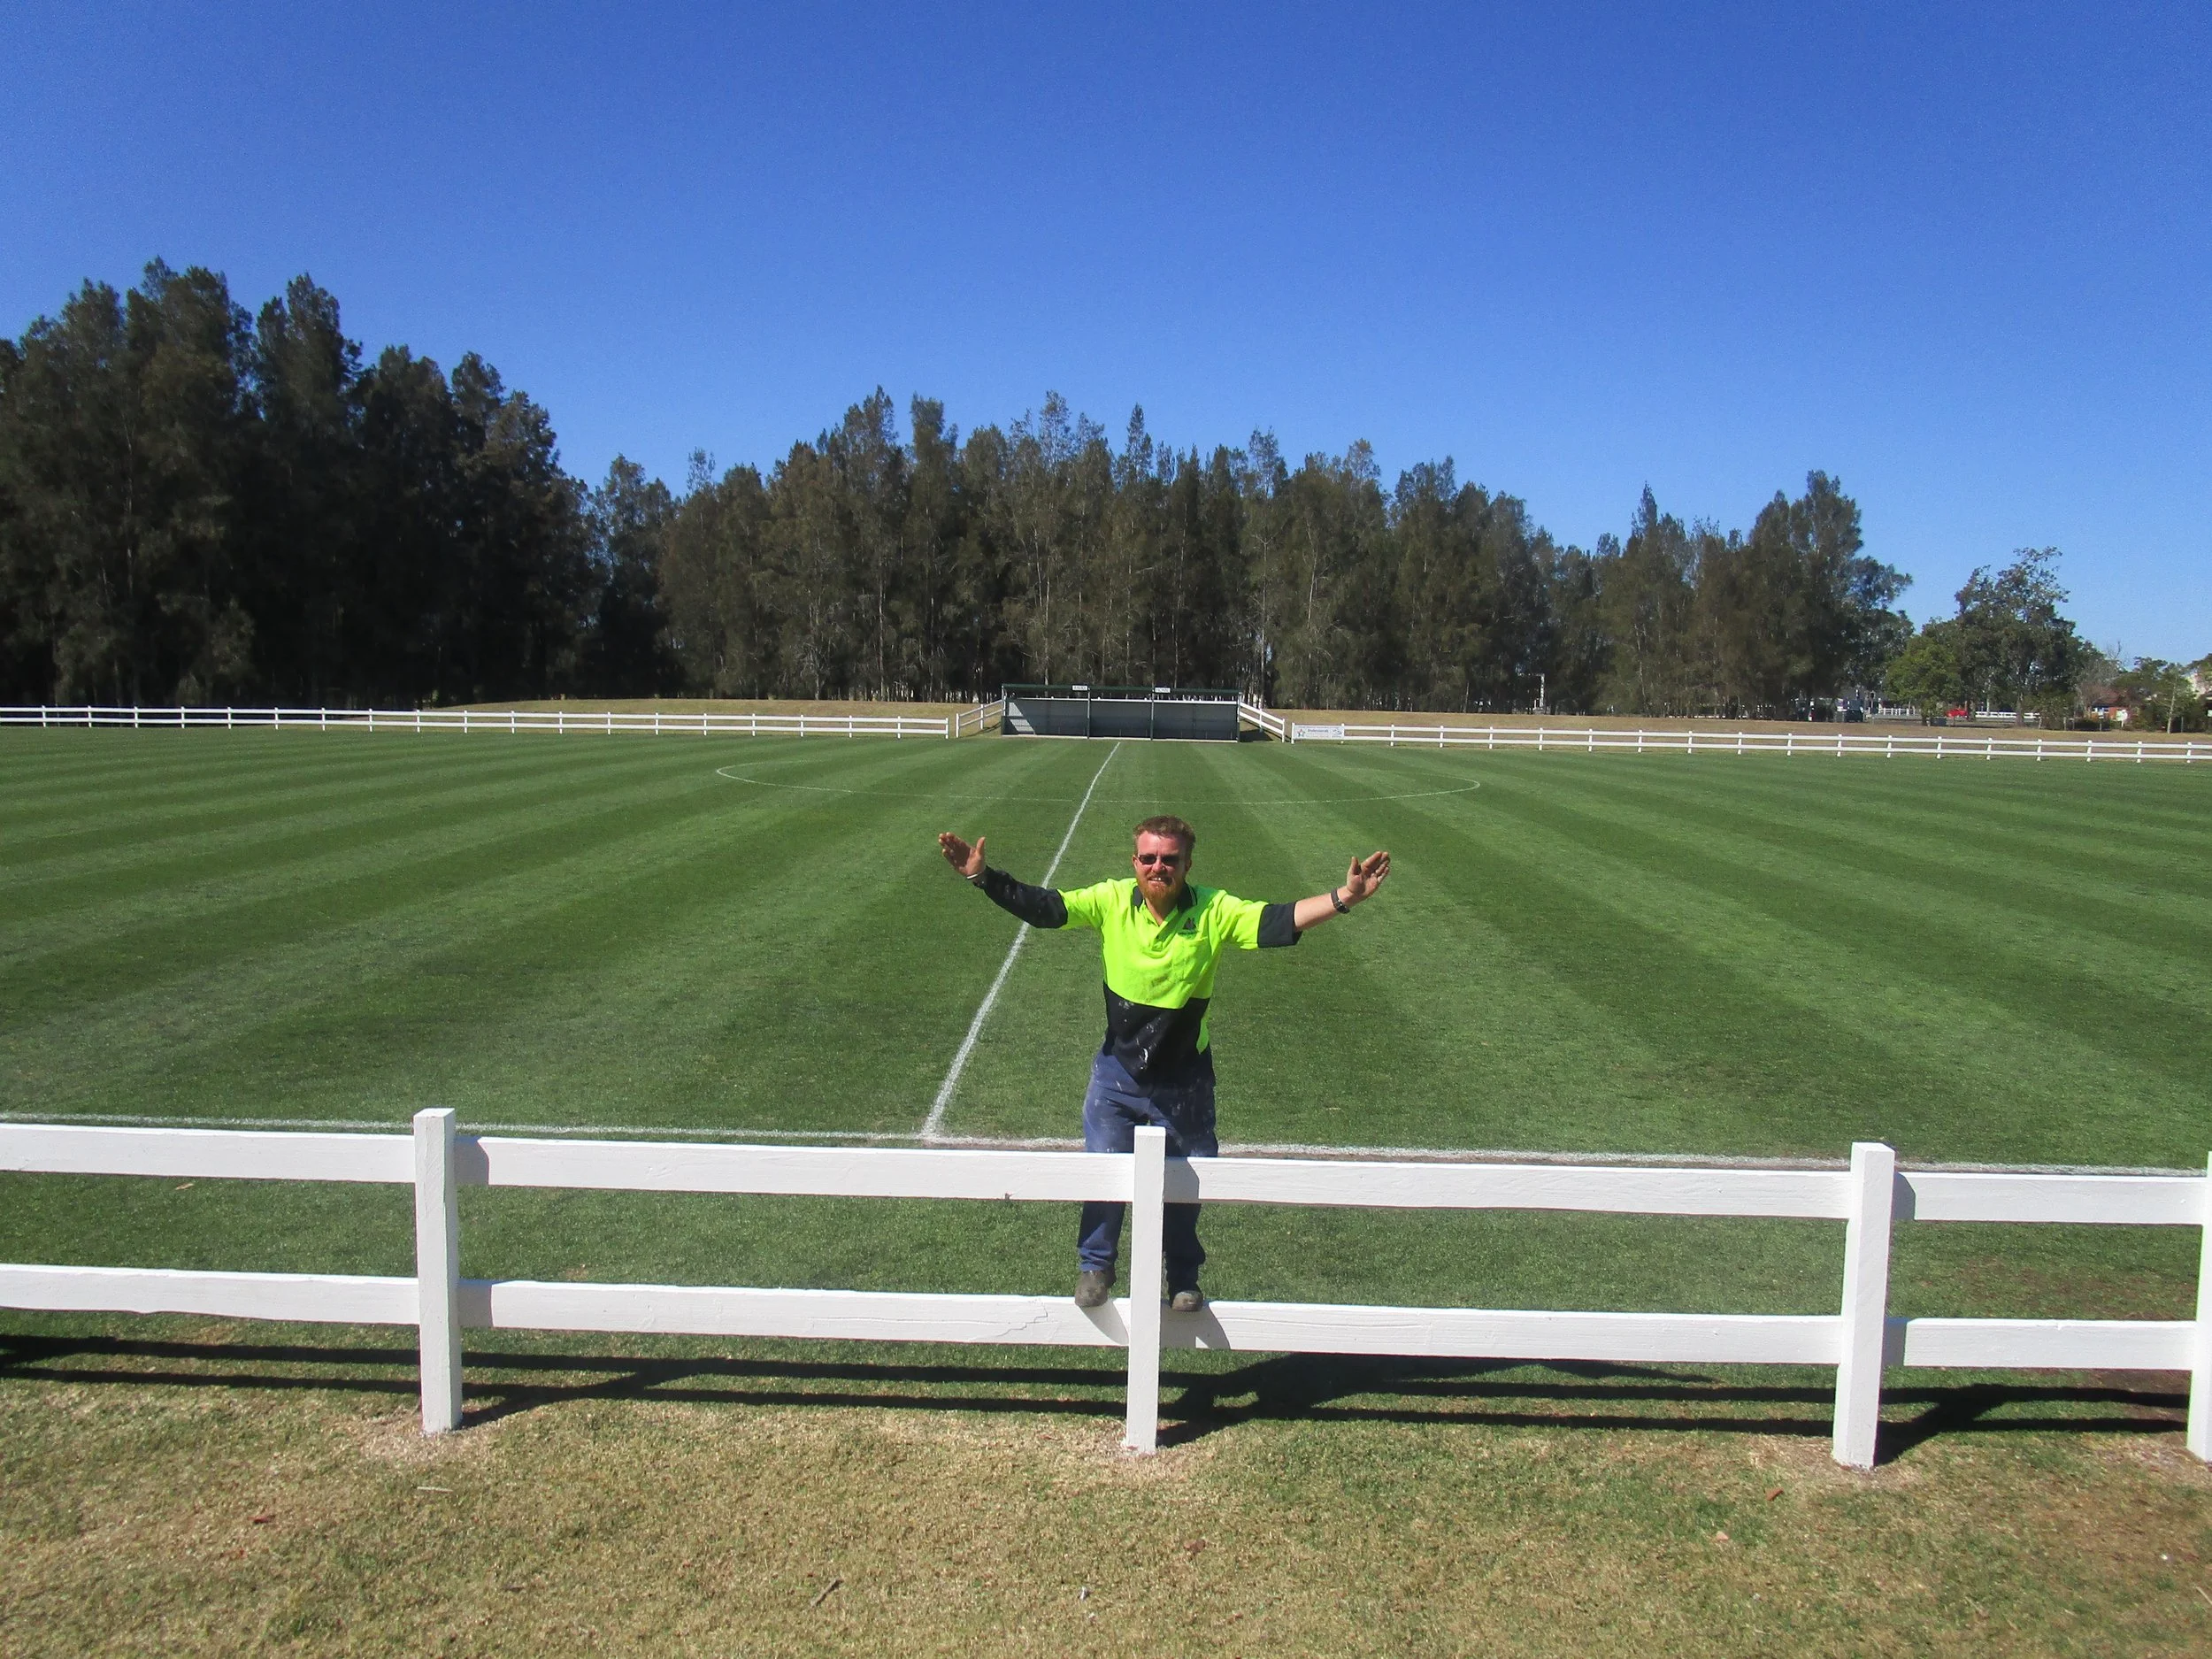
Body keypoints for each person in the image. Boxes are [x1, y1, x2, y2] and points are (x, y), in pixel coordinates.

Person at [936, 814, 1390, 1311]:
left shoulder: (1215, 910)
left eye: (1169, 859)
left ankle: (1183, 1278)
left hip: (1185, 1080)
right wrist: (984, 878)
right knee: (1104, 1170)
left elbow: (1277, 919)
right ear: (1135, 862)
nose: (1158, 867)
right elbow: (1047, 908)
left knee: (1187, 1182)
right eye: (1149, 858)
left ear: (1187, 864)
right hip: (1118, 1073)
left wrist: (1344, 897)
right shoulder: (1110, 901)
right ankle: (1096, 1265)